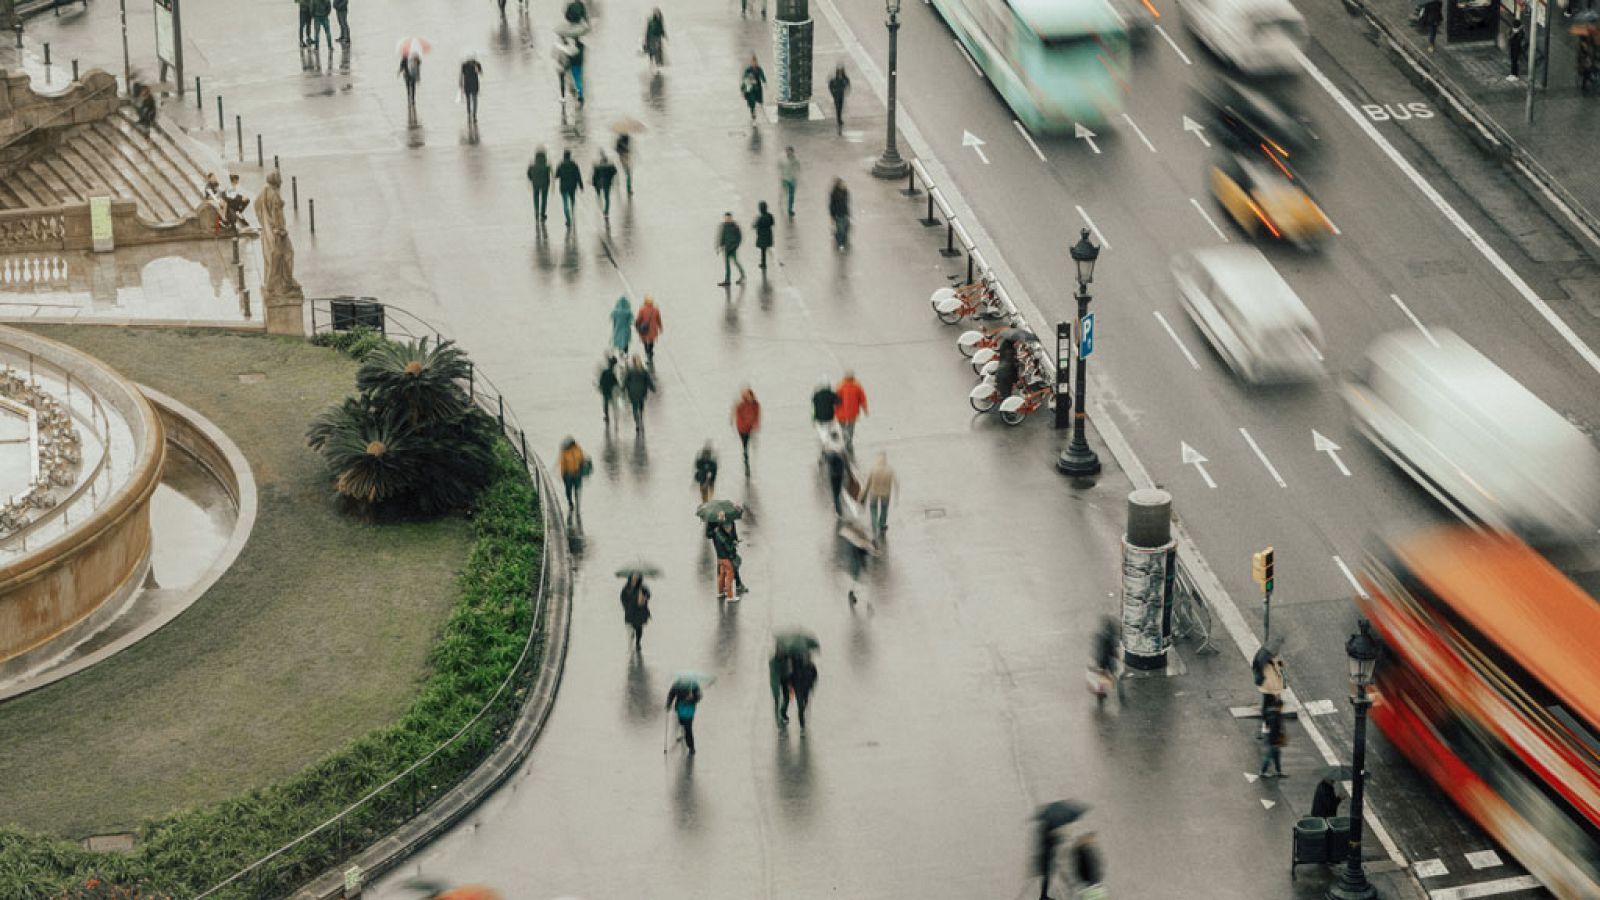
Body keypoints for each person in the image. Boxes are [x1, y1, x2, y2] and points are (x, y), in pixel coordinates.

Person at [665, 680, 703, 754]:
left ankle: (691, 747)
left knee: (688, 727)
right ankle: (683, 731)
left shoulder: (694, 685)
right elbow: (671, 694)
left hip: (690, 709)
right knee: (682, 723)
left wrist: (693, 698)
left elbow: (699, 696)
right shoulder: (677, 684)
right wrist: (668, 704)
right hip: (680, 708)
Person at [834, 371, 868, 449]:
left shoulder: (840, 387)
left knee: (843, 427)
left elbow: (835, 401)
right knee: (851, 427)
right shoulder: (857, 388)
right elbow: (863, 400)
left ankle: (845, 439)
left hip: (841, 413)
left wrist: (834, 412)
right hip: (852, 413)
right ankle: (849, 442)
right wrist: (865, 410)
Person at [863, 453, 895, 534]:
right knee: (884, 509)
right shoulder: (889, 470)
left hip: (874, 493)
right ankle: (882, 524)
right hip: (886, 494)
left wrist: (863, 495)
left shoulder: (873, 469)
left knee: (873, 509)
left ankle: (874, 526)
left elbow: (868, 484)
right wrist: (896, 497)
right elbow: (896, 483)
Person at [623, 355, 655, 433]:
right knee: (641, 404)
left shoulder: (630, 371)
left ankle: (637, 423)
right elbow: (648, 381)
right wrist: (653, 388)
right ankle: (640, 415)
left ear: (633, 362)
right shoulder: (643, 371)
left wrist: (622, 388)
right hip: (642, 391)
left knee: (634, 407)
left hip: (632, 392)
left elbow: (626, 381)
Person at [1254, 639, 1286, 717]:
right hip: (1268, 684)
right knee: (1268, 698)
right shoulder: (1267, 661)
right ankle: (1266, 714)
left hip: (1269, 684)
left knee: (1268, 698)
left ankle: (1267, 712)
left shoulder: (1269, 658)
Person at [557, 436, 589, 515]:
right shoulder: (564, 452)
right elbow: (562, 464)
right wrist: (563, 474)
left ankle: (578, 505)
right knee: (568, 490)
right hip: (568, 475)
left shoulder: (578, 449)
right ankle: (570, 502)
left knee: (578, 490)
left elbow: (582, 459)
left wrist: (583, 469)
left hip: (577, 474)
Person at [620, 574, 651, 652]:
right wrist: (626, 607)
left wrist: (645, 597)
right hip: (630, 611)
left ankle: (637, 642)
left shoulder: (643, 587)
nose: (634, 580)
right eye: (633, 578)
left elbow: (648, 596)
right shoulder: (626, 588)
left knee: (639, 628)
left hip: (639, 612)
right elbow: (622, 598)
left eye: (636, 578)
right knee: (630, 627)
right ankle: (630, 644)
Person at [710, 518, 740, 600]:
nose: (730, 529)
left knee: (722, 575)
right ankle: (730, 596)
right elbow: (729, 548)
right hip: (726, 559)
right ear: (725, 527)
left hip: (720, 558)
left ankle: (720, 592)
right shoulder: (724, 537)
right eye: (729, 527)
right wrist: (734, 544)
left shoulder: (717, 534)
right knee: (730, 576)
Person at [822, 425, 848, 515]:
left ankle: (838, 509)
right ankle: (838, 506)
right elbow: (845, 458)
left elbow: (824, 456)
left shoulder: (828, 446)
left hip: (832, 473)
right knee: (838, 489)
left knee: (834, 491)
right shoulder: (840, 446)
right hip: (840, 472)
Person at [733, 387, 760, 473]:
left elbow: (757, 415)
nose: (750, 398)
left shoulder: (756, 405)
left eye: (751, 396)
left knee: (748, 443)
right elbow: (739, 417)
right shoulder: (741, 405)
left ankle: (747, 458)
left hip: (750, 429)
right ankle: (746, 462)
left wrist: (755, 424)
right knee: (745, 445)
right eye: (748, 396)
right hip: (742, 429)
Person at [1071, 833, 1105, 900]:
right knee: (1088, 878)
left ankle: (1083, 848)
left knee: (1091, 877)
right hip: (1091, 890)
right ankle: (1082, 849)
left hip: (1092, 890)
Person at [1034, 822, 1062, 900]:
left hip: (1046, 860)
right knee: (1046, 879)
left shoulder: (1045, 833)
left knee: (1046, 879)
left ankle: (1044, 895)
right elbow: (1050, 844)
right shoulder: (1047, 834)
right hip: (1046, 860)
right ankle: (1043, 896)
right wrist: (1057, 838)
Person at [1260, 694, 1287, 778]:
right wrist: (1276, 741)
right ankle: (1263, 772)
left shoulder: (1274, 714)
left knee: (1276, 756)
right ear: (1279, 706)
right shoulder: (1275, 716)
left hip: (1274, 740)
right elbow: (1274, 730)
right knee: (1270, 756)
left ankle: (1279, 771)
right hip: (1273, 740)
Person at [716, 211, 746, 287]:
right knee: (727, 265)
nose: (727, 220)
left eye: (728, 218)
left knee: (735, 262)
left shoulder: (735, 226)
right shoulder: (724, 226)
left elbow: (739, 237)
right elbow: (722, 236)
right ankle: (727, 280)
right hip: (726, 248)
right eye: (726, 218)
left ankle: (742, 275)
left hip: (733, 248)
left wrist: (736, 245)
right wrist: (719, 246)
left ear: (731, 218)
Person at [788, 654, 817, 731]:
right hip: (798, 688)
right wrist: (791, 685)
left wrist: (812, 684)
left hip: (806, 688)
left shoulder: (811, 666)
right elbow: (791, 675)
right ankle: (802, 723)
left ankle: (801, 713)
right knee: (800, 705)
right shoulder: (796, 665)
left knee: (806, 702)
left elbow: (815, 675)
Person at [556, 148, 583, 226]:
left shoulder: (560, 164)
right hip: (572, 186)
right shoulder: (574, 164)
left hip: (563, 187)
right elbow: (578, 175)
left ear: (564, 156)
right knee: (572, 199)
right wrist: (581, 186)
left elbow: (556, 175)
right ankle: (572, 211)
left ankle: (568, 219)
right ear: (570, 156)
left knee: (565, 203)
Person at [634, 295, 663, 365]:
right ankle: (650, 352)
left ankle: (647, 352)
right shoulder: (656, 310)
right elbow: (658, 319)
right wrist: (660, 327)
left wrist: (636, 325)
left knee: (644, 341)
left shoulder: (642, 309)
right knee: (651, 341)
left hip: (644, 329)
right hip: (653, 330)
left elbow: (638, 319)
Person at [527, 147, 552, 222]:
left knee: (536, 198)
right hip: (545, 184)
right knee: (544, 199)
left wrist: (532, 179)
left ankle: (536, 213)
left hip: (535, 184)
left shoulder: (532, 165)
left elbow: (528, 174)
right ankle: (543, 214)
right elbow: (549, 175)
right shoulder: (547, 165)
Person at [590, 151, 618, 218]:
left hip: (600, 184)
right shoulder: (610, 166)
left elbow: (594, 176)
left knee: (600, 196)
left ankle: (602, 208)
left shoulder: (598, 167)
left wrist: (594, 184)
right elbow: (615, 172)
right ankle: (606, 211)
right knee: (607, 198)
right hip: (608, 184)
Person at [741, 56, 767, 123]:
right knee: (752, 101)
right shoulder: (748, 69)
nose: (754, 64)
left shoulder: (759, 69)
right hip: (750, 88)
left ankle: (755, 110)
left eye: (755, 62)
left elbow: (762, 75)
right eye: (753, 62)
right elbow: (745, 77)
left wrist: (764, 82)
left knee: (758, 100)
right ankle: (753, 115)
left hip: (757, 88)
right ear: (751, 62)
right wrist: (750, 79)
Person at [597, 353, 620, 426]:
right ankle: (614, 415)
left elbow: (601, 380)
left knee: (606, 403)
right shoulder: (612, 373)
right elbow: (615, 382)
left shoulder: (604, 372)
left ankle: (606, 415)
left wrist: (600, 386)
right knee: (613, 403)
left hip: (605, 389)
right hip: (610, 390)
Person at [828, 178, 851, 250]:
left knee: (847, 227)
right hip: (838, 215)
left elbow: (846, 202)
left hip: (844, 213)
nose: (842, 184)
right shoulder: (834, 193)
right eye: (841, 184)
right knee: (841, 230)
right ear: (838, 185)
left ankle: (842, 240)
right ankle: (840, 243)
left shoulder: (845, 191)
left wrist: (848, 213)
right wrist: (832, 215)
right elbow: (831, 205)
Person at [459, 55, 483, 122]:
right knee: (468, 100)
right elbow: (462, 74)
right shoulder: (464, 65)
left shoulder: (477, 64)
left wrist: (477, 69)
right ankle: (469, 114)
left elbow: (481, 73)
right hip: (467, 85)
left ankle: (474, 115)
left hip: (475, 84)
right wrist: (460, 82)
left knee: (475, 100)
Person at [828, 64, 850, 133]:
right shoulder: (834, 79)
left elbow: (847, 83)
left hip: (841, 94)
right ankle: (839, 118)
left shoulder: (844, 78)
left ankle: (839, 117)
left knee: (841, 106)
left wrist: (845, 88)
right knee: (837, 107)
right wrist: (833, 93)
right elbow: (830, 86)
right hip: (836, 95)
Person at [754, 201, 775, 270]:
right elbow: (772, 223)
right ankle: (764, 263)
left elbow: (755, 225)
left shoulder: (760, 218)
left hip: (762, 235)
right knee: (765, 249)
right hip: (768, 234)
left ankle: (763, 263)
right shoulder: (770, 215)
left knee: (763, 250)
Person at [779, 146, 799, 217]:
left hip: (792, 180)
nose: (788, 153)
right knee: (784, 192)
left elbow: (798, 167)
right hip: (784, 178)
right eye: (787, 151)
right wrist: (780, 175)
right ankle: (781, 199)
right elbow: (779, 165)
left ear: (792, 152)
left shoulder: (796, 159)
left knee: (791, 195)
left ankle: (790, 209)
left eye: (790, 151)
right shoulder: (782, 158)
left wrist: (797, 176)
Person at [1508, 15, 1527, 80]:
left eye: (1514, 27)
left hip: (1517, 49)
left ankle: (1515, 75)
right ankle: (1512, 73)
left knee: (1515, 62)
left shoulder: (1520, 32)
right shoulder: (1513, 31)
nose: (1513, 28)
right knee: (1513, 61)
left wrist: (1516, 33)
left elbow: (1519, 40)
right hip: (1512, 48)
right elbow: (1509, 37)